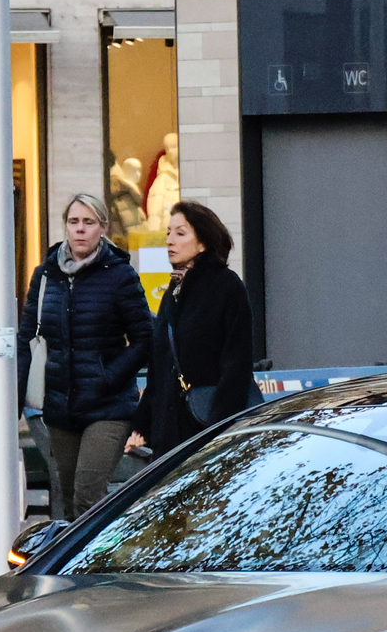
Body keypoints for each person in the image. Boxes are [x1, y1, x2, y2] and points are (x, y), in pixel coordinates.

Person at [21, 192, 152, 517]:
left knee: (87, 497)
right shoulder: (46, 274)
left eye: (88, 222)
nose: (80, 229)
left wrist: (109, 377)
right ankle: (74, 569)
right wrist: (16, 400)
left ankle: (101, 568)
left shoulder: (120, 275)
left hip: (108, 406)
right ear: (65, 226)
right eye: (73, 221)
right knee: (67, 500)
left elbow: (145, 339)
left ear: (103, 228)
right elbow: (27, 337)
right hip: (60, 406)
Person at [129, 200, 256, 458]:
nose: (169, 241)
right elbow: (159, 369)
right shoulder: (173, 292)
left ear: (203, 243)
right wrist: (141, 426)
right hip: (169, 434)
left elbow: (237, 365)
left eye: (180, 233)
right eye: (168, 233)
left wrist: (218, 428)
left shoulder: (227, 287)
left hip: (208, 431)